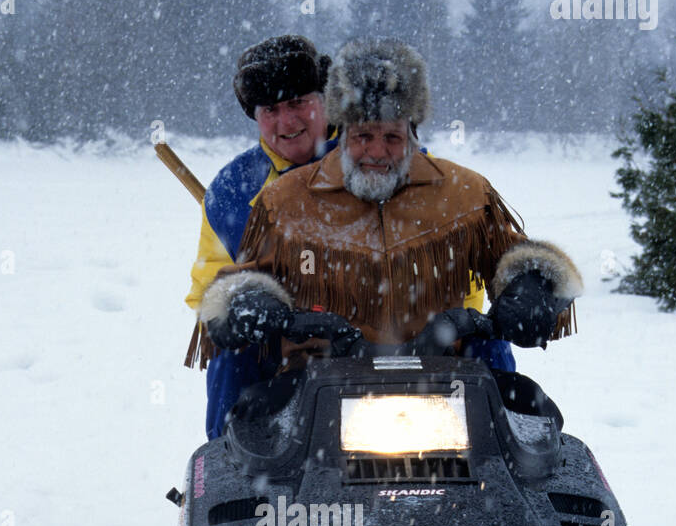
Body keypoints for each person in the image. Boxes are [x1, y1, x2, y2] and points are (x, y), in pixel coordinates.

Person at [193, 39, 582, 396]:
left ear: (412, 136)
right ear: (341, 136)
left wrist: (531, 284)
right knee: (249, 436)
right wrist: (246, 301)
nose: (376, 152)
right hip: (317, 380)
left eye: (391, 138)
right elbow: (247, 274)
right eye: (363, 137)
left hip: (443, 375)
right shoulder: (282, 201)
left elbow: (511, 257)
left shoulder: (463, 192)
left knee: (529, 427)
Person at [184, 34, 336, 438]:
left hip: (385, 339)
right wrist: (235, 304)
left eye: (298, 103)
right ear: (255, 115)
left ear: (324, 99)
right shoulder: (231, 191)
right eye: (271, 109)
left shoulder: (378, 154)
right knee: (230, 354)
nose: (287, 122)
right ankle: (230, 471)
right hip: (283, 352)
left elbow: (453, 263)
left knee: (481, 340)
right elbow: (207, 288)